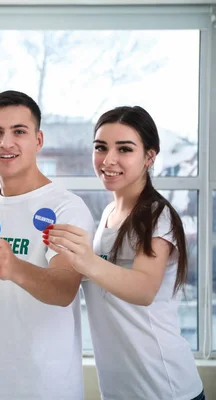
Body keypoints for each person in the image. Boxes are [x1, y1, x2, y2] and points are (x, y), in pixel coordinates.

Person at [46, 106, 204, 400]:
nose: (109, 160)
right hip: (121, 390)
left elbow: (144, 289)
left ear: (149, 157)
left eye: (125, 149)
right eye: (101, 147)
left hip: (165, 389)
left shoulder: (157, 216)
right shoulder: (108, 213)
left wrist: (87, 261)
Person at [0, 90, 95, 400]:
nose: (5, 143)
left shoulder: (67, 208)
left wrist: (15, 267)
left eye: (19, 132)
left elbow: (64, 289)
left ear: (38, 140)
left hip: (47, 391)